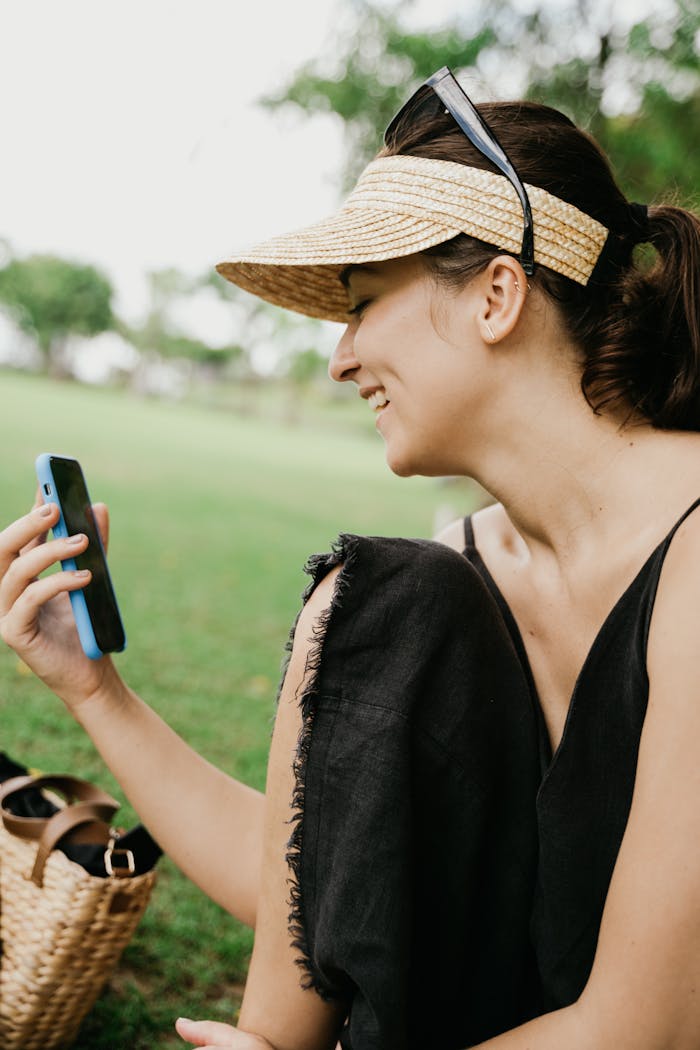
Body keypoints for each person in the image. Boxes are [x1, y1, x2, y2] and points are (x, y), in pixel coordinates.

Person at [2, 65, 700, 1050]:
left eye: (364, 301)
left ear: (497, 294)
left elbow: (649, 1027)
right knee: (377, 596)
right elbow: (325, 882)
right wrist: (94, 691)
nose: (338, 358)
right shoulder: (441, 584)